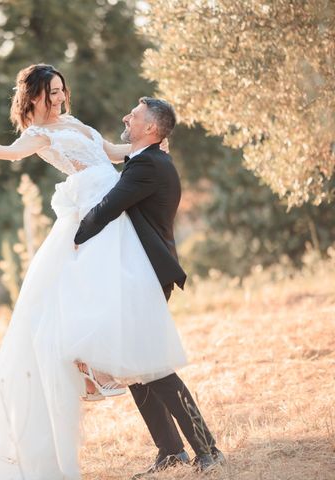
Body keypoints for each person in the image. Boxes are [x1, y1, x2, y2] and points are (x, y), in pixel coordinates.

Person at [0, 64, 188, 480]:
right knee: (87, 314)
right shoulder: (37, 134)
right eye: (51, 93)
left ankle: (171, 439)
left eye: (60, 90)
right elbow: (7, 154)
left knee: (132, 317)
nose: (59, 98)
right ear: (33, 96)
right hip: (92, 220)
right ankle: (99, 369)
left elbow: (110, 151)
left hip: (114, 213)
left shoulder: (72, 121)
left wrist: (147, 148)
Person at [74, 97, 225, 477]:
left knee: (154, 366)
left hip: (147, 276)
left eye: (135, 116)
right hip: (134, 274)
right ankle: (171, 451)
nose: (127, 117)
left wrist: (73, 239)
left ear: (151, 130)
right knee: (134, 364)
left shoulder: (147, 166)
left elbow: (108, 207)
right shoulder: (148, 161)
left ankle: (208, 450)